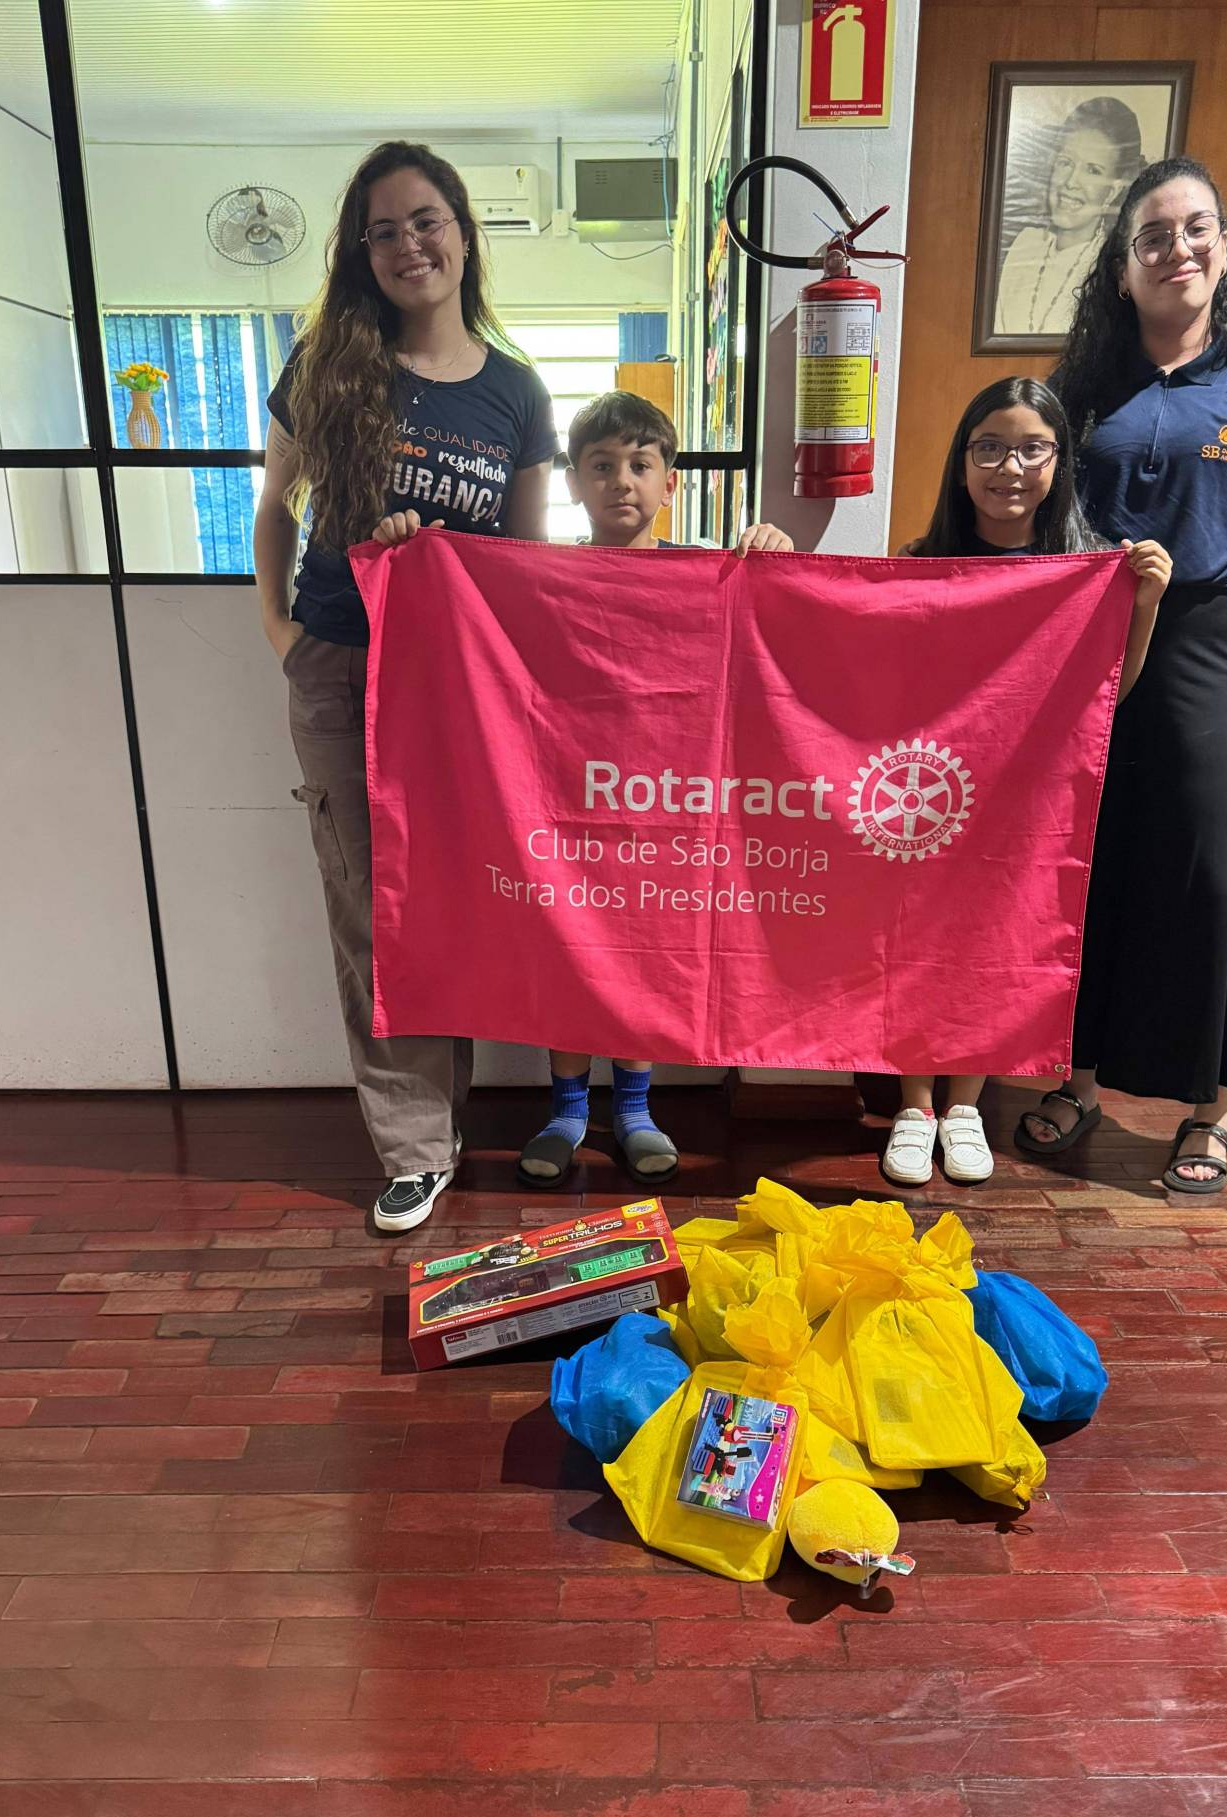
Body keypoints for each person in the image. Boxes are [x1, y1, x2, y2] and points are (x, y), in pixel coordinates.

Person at [254, 142, 557, 1234]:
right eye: (382, 230)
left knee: (462, 896)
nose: (407, 245)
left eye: (425, 221)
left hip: (460, 689)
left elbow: (524, 565)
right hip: (339, 669)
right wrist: (284, 630)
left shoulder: (515, 391)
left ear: (464, 234)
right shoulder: (328, 367)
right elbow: (280, 506)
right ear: (360, 253)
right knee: (370, 911)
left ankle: (472, 1105)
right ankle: (416, 1145)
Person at [1017, 156, 1227, 1195]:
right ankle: (1081, 1076)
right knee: (1088, 867)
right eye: (1154, 235)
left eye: (1197, 229)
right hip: (1087, 645)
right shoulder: (1083, 388)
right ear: (1122, 267)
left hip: (1200, 643)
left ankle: (1211, 1105)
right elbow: (1034, 519)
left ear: (1223, 249)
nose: (1178, 249)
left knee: (1209, 877)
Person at [886, 376, 1171, 1189]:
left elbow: (1108, 694)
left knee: (988, 937)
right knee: (913, 935)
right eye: (989, 448)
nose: (1008, 468)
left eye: (1030, 449)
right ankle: (915, 1105)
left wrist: (1143, 603)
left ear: (1059, 460)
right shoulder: (920, 562)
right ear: (961, 460)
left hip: (1023, 797)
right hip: (926, 788)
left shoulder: (1084, 567)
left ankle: (968, 1102)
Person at [516, 391, 794, 1187]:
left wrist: (772, 557)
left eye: (640, 465)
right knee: (571, 952)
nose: (621, 482)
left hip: (666, 802)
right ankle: (569, 1108)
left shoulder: (708, 575)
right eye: (600, 467)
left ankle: (636, 1107)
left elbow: (770, 645)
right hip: (569, 801)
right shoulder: (548, 576)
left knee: (642, 953)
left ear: (671, 482)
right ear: (574, 481)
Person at [994, 97, 1144, 337]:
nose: (1070, 182)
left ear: (1113, 191)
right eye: (1066, 163)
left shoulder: (1114, 269)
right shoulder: (1025, 245)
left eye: (1093, 170)